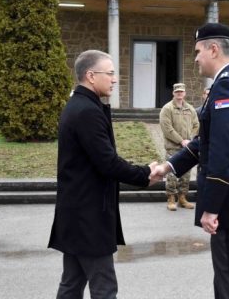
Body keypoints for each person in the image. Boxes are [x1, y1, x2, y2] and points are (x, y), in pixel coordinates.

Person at [153, 22, 229, 298]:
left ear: (213, 49)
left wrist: (211, 208)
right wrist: (169, 166)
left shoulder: (227, 88)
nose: (195, 58)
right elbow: (209, 141)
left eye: (198, 51)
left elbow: (224, 153)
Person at [48, 50, 159, 298]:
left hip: (77, 213)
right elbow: (107, 162)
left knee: (71, 284)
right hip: (88, 218)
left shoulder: (81, 105)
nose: (114, 79)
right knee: (104, 288)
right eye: (109, 73)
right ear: (90, 75)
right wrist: (145, 174)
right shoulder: (86, 111)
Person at [159, 82, 199, 211]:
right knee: (172, 174)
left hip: (187, 147)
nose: (179, 94)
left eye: (181, 91)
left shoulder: (190, 109)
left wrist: (190, 140)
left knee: (186, 175)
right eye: (177, 92)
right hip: (173, 147)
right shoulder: (167, 108)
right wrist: (181, 140)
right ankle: (171, 198)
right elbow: (167, 128)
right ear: (173, 93)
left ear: (185, 93)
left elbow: (196, 125)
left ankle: (182, 198)